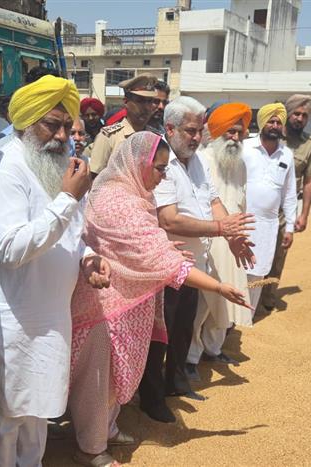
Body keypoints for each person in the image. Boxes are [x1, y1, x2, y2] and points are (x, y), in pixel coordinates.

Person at [68, 131, 248, 467]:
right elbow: (155, 256)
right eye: (160, 168)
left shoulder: (134, 193)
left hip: (125, 302)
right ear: (139, 164)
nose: (164, 176)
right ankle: (90, 449)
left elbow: (144, 245)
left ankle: (105, 429)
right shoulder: (118, 201)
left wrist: (165, 247)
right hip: (103, 307)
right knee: (99, 379)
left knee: (114, 376)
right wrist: (218, 287)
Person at [0, 75, 110, 466]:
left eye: (67, 126)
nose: (63, 135)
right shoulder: (3, 166)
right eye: (52, 124)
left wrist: (86, 257)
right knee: (6, 420)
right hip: (14, 321)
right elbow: (10, 248)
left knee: (38, 415)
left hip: (52, 319)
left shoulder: (56, 165)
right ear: (26, 121)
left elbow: (69, 234)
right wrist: (67, 199)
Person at [138, 96, 255, 423]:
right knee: (160, 335)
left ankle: (176, 383)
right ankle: (151, 398)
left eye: (199, 130)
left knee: (183, 328)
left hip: (195, 264)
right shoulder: (161, 162)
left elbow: (214, 201)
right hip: (168, 266)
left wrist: (233, 236)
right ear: (170, 128)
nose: (196, 136)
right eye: (190, 130)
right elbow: (169, 220)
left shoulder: (197, 161)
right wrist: (220, 229)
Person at [187, 102, 254, 376]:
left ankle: (213, 349)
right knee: (202, 303)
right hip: (208, 239)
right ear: (217, 131)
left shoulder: (241, 165)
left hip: (232, 242)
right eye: (230, 131)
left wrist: (240, 235)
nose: (235, 137)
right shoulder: (200, 159)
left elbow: (242, 203)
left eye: (240, 132)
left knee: (228, 298)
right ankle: (190, 357)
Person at [260, 94, 311, 311]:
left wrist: (304, 215)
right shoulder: (271, 134)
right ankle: (248, 293)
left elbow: (310, 180)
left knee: (278, 255)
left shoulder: (309, 145)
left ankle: (267, 295)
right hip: (261, 204)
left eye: (305, 115)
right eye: (296, 113)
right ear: (288, 114)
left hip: (285, 210)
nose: (300, 118)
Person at [243, 103, 297, 311]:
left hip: (268, 225)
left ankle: (248, 314)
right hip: (243, 221)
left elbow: (289, 193)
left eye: (278, 122)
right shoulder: (245, 147)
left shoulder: (287, 155)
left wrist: (290, 227)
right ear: (262, 123)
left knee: (259, 270)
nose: (274, 126)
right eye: (270, 121)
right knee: (238, 268)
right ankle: (231, 318)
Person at [90, 74, 159, 177]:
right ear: (126, 102)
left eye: (149, 101)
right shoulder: (108, 137)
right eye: (140, 101)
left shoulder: (154, 138)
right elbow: (94, 177)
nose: (146, 107)